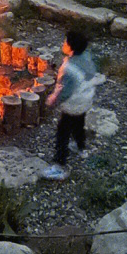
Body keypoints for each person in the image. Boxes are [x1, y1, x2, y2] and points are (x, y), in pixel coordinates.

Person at [42, 28, 105, 181]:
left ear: (70, 46)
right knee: (79, 124)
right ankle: (80, 146)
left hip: (73, 104)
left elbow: (65, 91)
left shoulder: (69, 68)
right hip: (85, 100)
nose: (63, 43)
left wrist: (53, 100)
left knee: (62, 134)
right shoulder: (86, 56)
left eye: (65, 41)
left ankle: (60, 166)